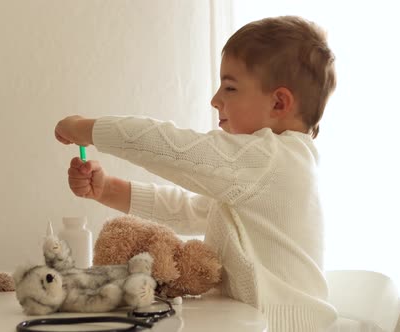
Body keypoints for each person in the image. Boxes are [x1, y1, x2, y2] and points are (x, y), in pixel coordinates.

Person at [54, 15, 337, 332]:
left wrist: (88, 129)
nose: (215, 100)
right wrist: (108, 190)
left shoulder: (273, 159)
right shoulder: (265, 173)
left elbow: (174, 149)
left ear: (279, 102)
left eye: (230, 87)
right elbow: (190, 210)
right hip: (253, 323)